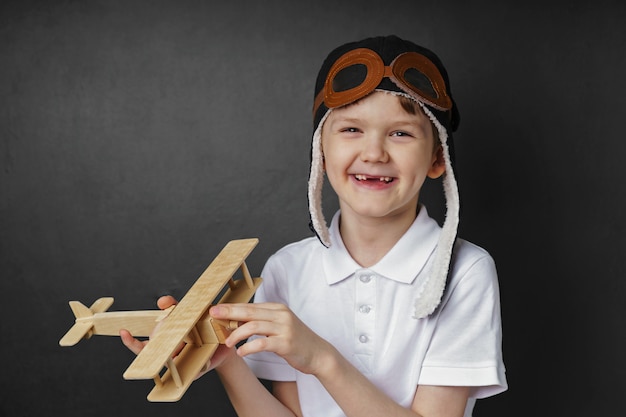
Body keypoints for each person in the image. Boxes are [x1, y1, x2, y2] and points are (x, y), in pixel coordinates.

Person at [121, 35, 507, 417]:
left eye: (401, 133)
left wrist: (322, 358)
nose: (373, 153)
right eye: (351, 129)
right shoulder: (287, 270)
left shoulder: (466, 272)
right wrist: (227, 361)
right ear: (320, 150)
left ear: (438, 158)